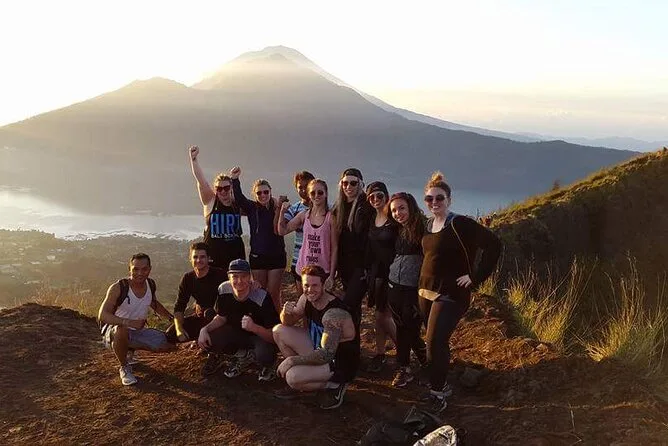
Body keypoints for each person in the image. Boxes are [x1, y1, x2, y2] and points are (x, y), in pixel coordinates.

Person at [419, 172, 502, 412]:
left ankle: (438, 392)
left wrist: (475, 278)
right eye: (429, 198)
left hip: (451, 293)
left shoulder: (460, 224)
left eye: (439, 198)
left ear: (449, 200)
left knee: (435, 341)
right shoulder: (427, 225)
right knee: (435, 342)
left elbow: (494, 245)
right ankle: (440, 378)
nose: (434, 202)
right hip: (425, 291)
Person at [272, 265, 360, 410]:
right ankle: (306, 377)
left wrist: (291, 361)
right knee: (278, 331)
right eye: (306, 285)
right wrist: (285, 313)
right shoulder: (306, 299)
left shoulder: (333, 314)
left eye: (315, 285)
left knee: (292, 377)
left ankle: (334, 385)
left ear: (323, 285)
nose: (310, 290)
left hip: (337, 362)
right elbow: (287, 323)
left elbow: (326, 354)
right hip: (318, 348)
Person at [97, 253, 175, 386]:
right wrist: (128, 322)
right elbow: (102, 315)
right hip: (114, 332)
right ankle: (124, 366)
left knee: (168, 346)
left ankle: (129, 351)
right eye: (135, 269)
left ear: (149, 269)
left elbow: (153, 303)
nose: (140, 273)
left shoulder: (150, 284)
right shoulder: (119, 287)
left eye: (144, 269)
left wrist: (172, 319)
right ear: (129, 269)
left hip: (137, 330)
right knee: (122, 330)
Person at [198, 259, 279, 381]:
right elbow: (221, 317)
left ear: (250, 277)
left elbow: (274, 336)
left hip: (259, 337)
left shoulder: (261, 296)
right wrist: (204, 329)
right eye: (235, 276)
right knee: (211, 338)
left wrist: (254, 328)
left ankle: (268, 365)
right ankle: (244, 356)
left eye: (244, 276)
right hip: (237, 333)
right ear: (228, 277)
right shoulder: (223, 289)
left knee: (264, 355)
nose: (239, 281)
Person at [230, 166, 286, 310]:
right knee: (259, 293)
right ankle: (260, 321)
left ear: (270, 191)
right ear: (255, 194)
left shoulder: (278, 207)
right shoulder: (252, 208)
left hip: (277, 257)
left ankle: (275, 322)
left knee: (273, 294)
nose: (263, 195)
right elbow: (239, 198)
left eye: (265, 192)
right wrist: (235, 179)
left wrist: (280, 207)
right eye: (259, 193)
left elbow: (283, 227)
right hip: (258, 257)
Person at [387, 192, 428, 387]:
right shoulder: (398, 229)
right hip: (394, 285)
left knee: (410, 328)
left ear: (411, 206)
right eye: (394, 210)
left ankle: (417, 364)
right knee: (402, 327)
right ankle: (411, 365)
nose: (398, 213)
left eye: (401, 208)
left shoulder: (424, 229)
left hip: (414, 288)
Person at [189, 145, 245, 272]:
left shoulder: (237, 204)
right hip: (213, 258)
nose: (223, 191)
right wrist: (194, 159)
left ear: (231, 188)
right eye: (219, 189)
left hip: (235, 256)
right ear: (215, 190)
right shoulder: (210, 201)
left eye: (226, 188)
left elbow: (257, 208)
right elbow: (201, 180)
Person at [278, 178, 337, 289]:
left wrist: (332, 275)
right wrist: (282, 211)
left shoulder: (331, 218)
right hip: (303, 268)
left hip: (323, 270)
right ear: (309, 195)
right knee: (303, 299)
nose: (316, 195)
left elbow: (334, 248)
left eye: (320, 192)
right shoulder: (304, 215)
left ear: (326, 194)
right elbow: (282, 231)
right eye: (313, 193)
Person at [364, 181, 398, 373]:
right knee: (378, 316)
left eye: (380, 196)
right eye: (372, 196)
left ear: (387, 197)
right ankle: (380, 353)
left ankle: (406, 351)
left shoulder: (394, 219)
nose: (376, 199)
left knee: (383, 316)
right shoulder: (371, 218)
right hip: (376, 274)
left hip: (391, 274)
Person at [332, 168, 373, 320]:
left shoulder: (366, 206)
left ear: (360, 184)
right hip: (344, 265)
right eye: (345, 183)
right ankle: (354, 335)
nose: (348, 187)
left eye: (353, 183)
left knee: (349, 304)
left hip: (360, 266)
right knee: (353, 308)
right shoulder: (338, 207)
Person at [165, 242, 227, 344]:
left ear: (209, 258)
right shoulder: (188, 278)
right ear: (190, 258)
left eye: (202, 257)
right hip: (200, 317)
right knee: (170, 334)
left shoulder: (220, 275)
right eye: (195, 257)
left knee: (209, 317)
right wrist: (179, 330)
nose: (198, 260)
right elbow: (179, 307)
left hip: (218, 319)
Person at [283, 171, 316, 295]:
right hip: (298, 260)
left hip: (319, 260)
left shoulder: (327, 208)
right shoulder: (294, 209)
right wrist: (281, 209)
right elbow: (282, 229)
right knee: (302, 299)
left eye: (306, 186)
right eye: (300, 187)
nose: (303, 190)